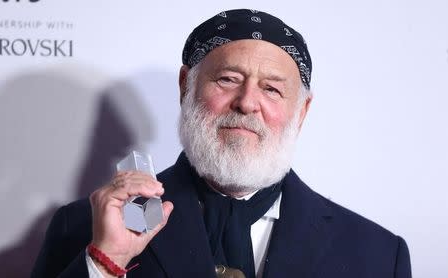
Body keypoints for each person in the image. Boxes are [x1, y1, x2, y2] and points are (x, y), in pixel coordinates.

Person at [31, 9, 412, 278]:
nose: (247, 103)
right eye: (228, 79)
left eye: (272, 89)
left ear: (302, 110)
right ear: (186, 87)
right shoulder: (82, 227)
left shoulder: (377, 254)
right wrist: (105, 262)